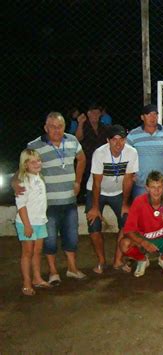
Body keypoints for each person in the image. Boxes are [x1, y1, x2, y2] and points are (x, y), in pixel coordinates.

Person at [23, 112, 87, 285]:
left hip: (69, 200)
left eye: (59, 126)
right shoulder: (34, 145)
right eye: (52, 127)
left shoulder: (73, 141)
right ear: (45, 127)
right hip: (47, 204)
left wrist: (78, 181)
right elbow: (24, 168)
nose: (56, 130)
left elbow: (81, 159)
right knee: (50, 239)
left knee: (72, 237)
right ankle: (53, 272)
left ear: (64, 127)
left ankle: (72, 269)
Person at [85, 125, 139, 274]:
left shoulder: (131, 152)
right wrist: (95, 207)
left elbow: (128, 180)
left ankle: (117, 260)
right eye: (114, 140)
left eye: (121, 139)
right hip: (97, 191)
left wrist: (125, 204)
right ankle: (101, 261)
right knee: (93, 223)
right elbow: (96, 182)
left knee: (126, 221)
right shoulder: (99, 153)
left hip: (118, 191)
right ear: (107, 140)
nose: (118, 143)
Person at [121, 171, 163, 277]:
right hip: (145, 238)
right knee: (124, 244)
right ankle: (142, 259)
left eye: (159, 187)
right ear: (147, 188)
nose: (156, 191)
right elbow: (128, 230)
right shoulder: (138, 201)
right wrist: (143, 243)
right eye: (153, 187)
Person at [127, 104, 163, 198]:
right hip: (141, 185)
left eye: (155, 114)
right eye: (149, 114)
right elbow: (125, 155)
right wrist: (129, 174)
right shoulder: (133, 134)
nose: (153, 117)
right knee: (142, 212)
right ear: (142, 117)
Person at [15, 149, 51, 296]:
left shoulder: (39, 179)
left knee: (37, 251)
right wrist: (27, 225)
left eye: (38, 160)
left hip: (40, 221)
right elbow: (21, 205)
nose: (37, 164)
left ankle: (37, 278)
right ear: (25, 165)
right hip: (27, 223)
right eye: (32, 161)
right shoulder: (23, 181)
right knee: (27, 253)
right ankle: (26, 282)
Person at [75, 104, 108, 201]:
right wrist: (80, 123)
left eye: (97, 113)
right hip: (87, 158)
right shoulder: (84, 125)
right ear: (88, 114)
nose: (95, 115)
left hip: (101, 159)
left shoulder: (103, 127)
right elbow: (78, 138)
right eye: (93, 113)